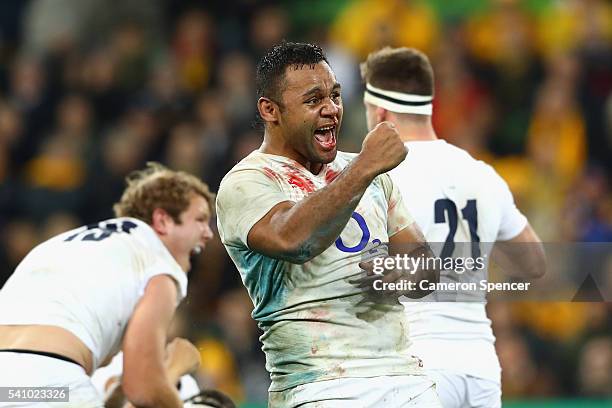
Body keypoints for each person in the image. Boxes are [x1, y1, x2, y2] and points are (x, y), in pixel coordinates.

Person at [216, 42, 441, 407]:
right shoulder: (248, 181)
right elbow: (293, 239)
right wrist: (364, 167)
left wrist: (401, 273)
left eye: (335, 95)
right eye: (313, 99)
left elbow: (425, 268)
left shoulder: (373, 175)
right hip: (320, 384)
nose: (332, 109)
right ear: (270, 110)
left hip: (405, 378)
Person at [360, 46, 547, 408]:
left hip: (416, 358)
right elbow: (535, 263)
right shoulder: (484, 174)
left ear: (380, 110)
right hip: (479, 364)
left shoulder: (378, 177)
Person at [0, 162, 215, 408]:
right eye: (200, 220)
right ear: (162, 220)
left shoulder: (67, 243)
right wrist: (175, 366)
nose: (207, 233)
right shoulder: (158, 261)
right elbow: (144, 389)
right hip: (52, 379)